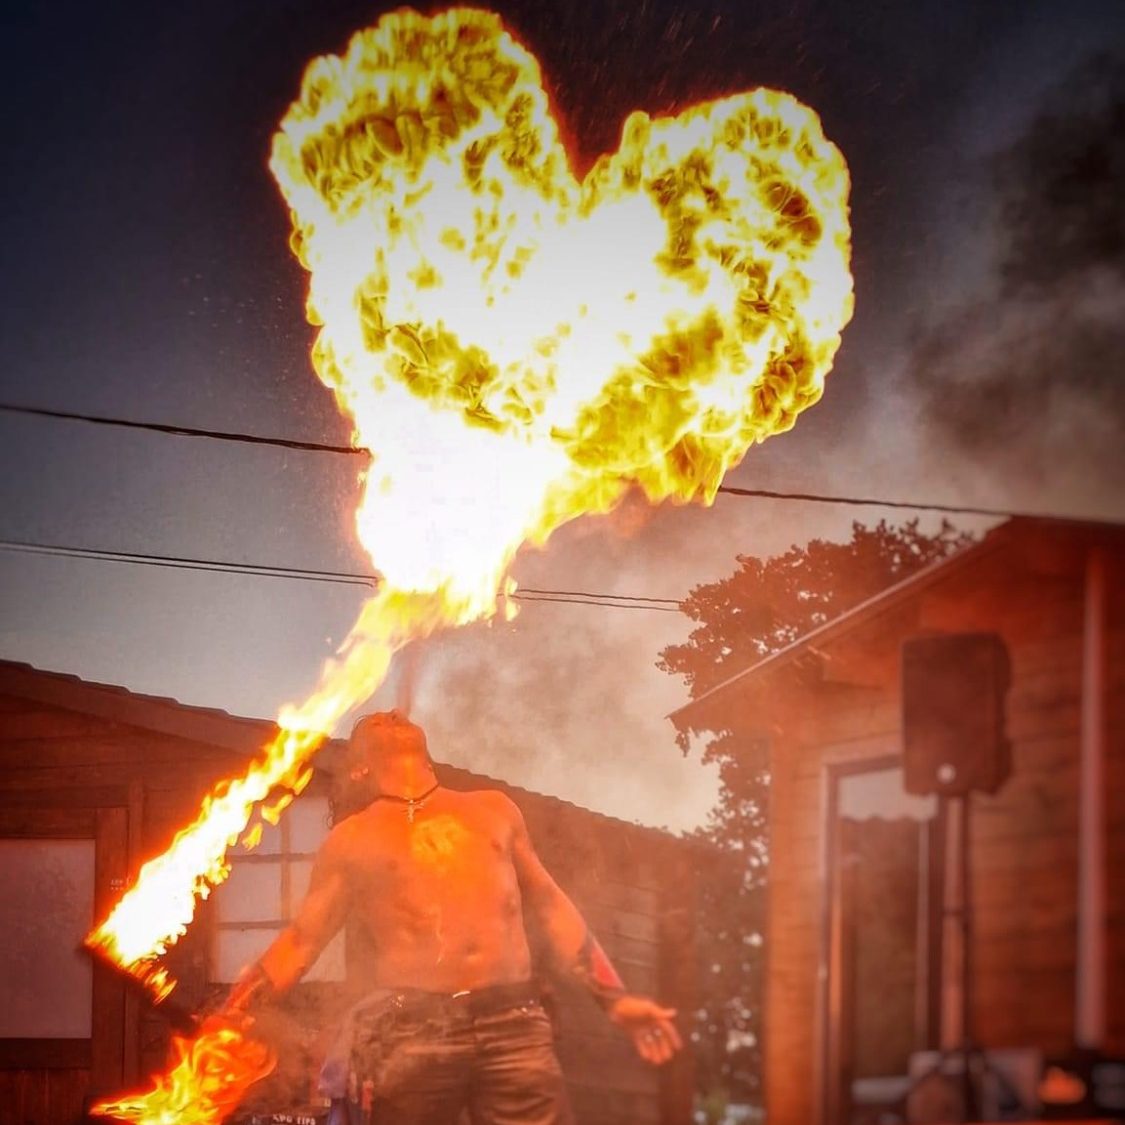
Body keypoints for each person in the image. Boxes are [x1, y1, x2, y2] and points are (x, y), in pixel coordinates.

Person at [220, 709, 682, 1124]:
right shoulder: (351, 840)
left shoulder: (492, 809)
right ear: (359, 765)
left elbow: (551, 904)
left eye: (394, 714)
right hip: (413, 1034)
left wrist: (615, 999)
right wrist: (234, 1011)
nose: (393, 713)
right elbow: (302, 941)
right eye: (375, 722)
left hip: (514, 1024)